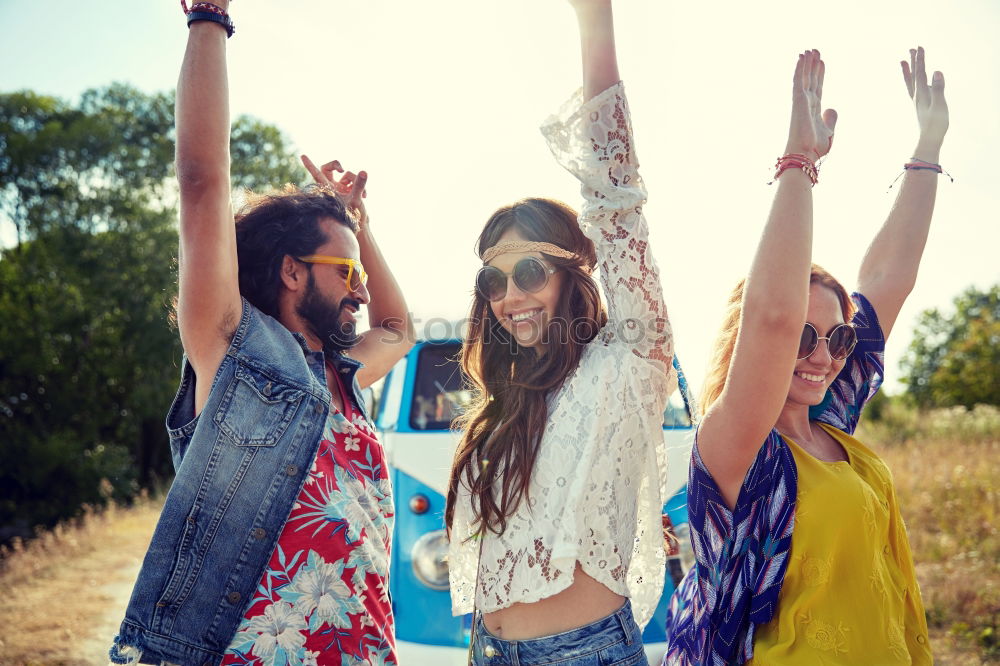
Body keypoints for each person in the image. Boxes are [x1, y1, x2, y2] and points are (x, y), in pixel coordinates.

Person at [109, 2, 413, 664]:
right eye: (347, 270)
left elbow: (398, 328)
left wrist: (359, 223)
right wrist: (211, 21)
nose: (362, 287)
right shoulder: (234, 355)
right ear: (291, 272)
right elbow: (201, 185)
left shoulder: (345, 373)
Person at [664, 47, 948, 665]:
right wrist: (799, 163)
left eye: (837, 337)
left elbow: (890, 277)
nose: (822, 355)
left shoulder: (832, 425)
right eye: (801, 335)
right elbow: (771, 315)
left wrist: (927, 150)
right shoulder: (740, 446)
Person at [444, 1, 675, 663]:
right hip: (489, 652)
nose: (509, 296)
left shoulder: (626, 364)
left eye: (529, 272)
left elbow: (618, 198)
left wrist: (594, 22)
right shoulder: (503, 403)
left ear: (576, 272)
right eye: (493, 281)